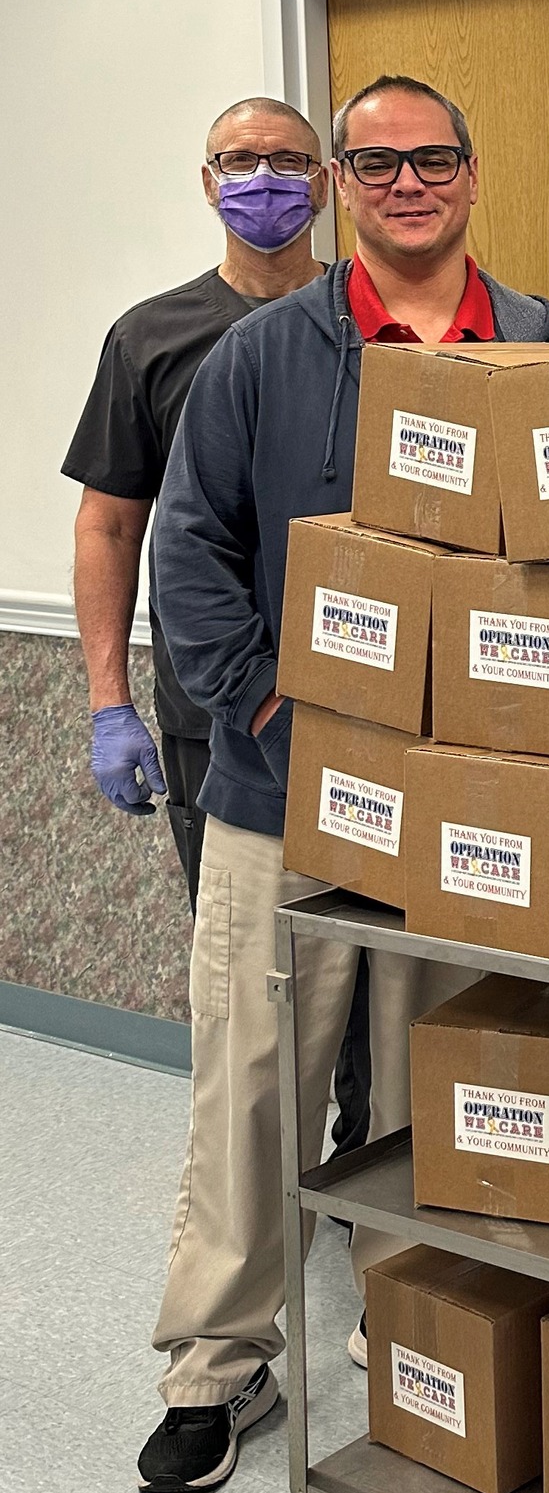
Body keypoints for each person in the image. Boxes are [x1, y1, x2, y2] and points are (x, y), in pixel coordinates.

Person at [139, 73, 549, 1493]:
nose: (407, 184)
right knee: (252, 1082)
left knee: (430, 1086)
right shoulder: (264, 355)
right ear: (340, 185)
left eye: (432, 159)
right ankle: (218, 1364)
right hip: (281, 795)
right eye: (376, 164)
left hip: (465, 810)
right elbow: (189, 544)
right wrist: (261, 698)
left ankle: (417, 1333)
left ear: (472, 175)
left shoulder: (539, 345)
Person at [65, 97, 330, 907]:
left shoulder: (366, 322)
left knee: (375, 946)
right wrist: (108, 703)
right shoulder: (151, 338)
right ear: (210, 184)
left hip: (357, 683)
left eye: (287, 162)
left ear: (323, 185)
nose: (264, 179)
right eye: (240, 162)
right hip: (211, 705)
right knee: (239, 942)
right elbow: (110, 527)